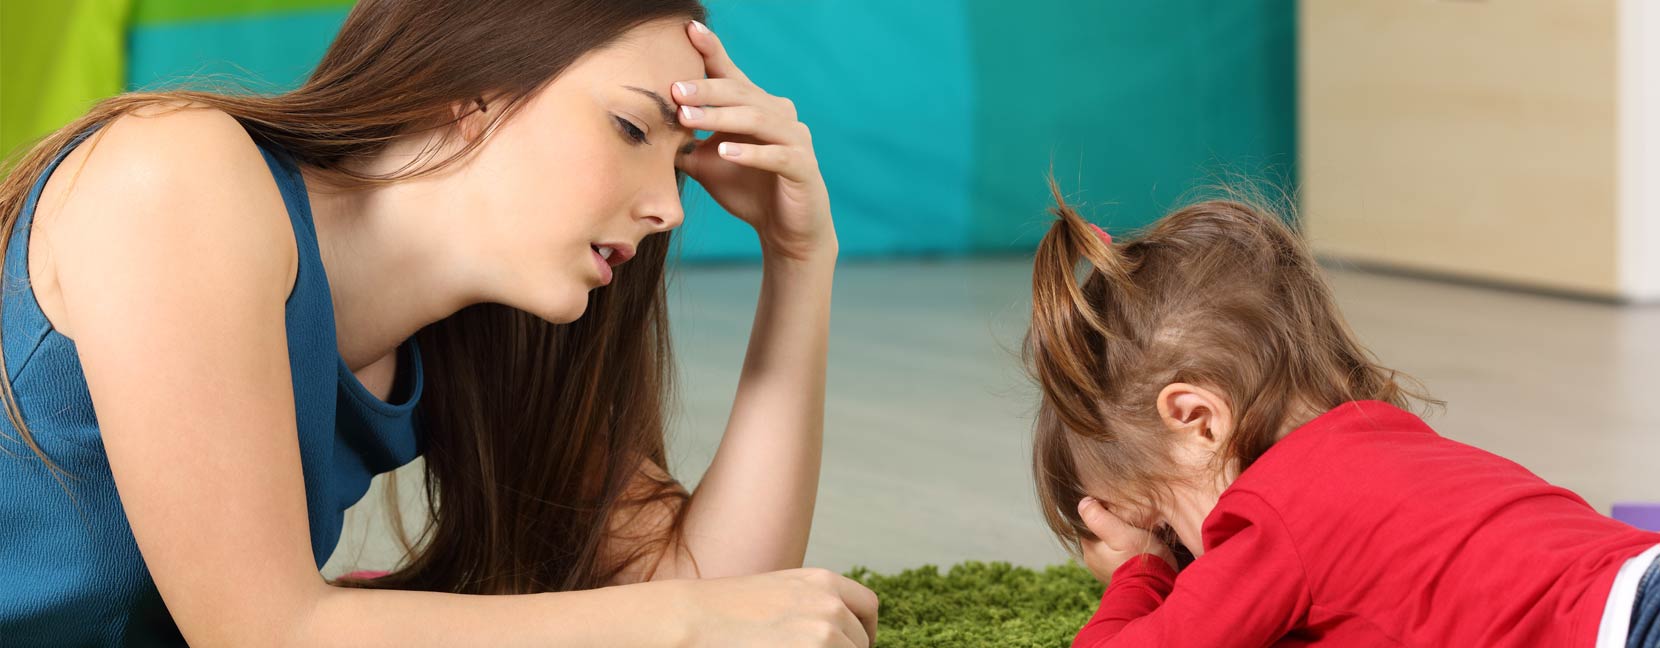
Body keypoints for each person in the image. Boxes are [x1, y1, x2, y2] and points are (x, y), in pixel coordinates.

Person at [0, 1, 876, 645]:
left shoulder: (467, 338)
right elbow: (261, 633)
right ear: (471, 95)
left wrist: (800, 261)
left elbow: (720, 589)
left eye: (678, 165)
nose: (669, 211)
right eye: (629, 127)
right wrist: (681, 623)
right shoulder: (176, 174)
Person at [1022, 183, 1660, 647]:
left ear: (1198, 422)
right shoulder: (1391, 441)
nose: (1195, 561)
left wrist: (1141, 574)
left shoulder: (1270, 515)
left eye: (1165, 525)